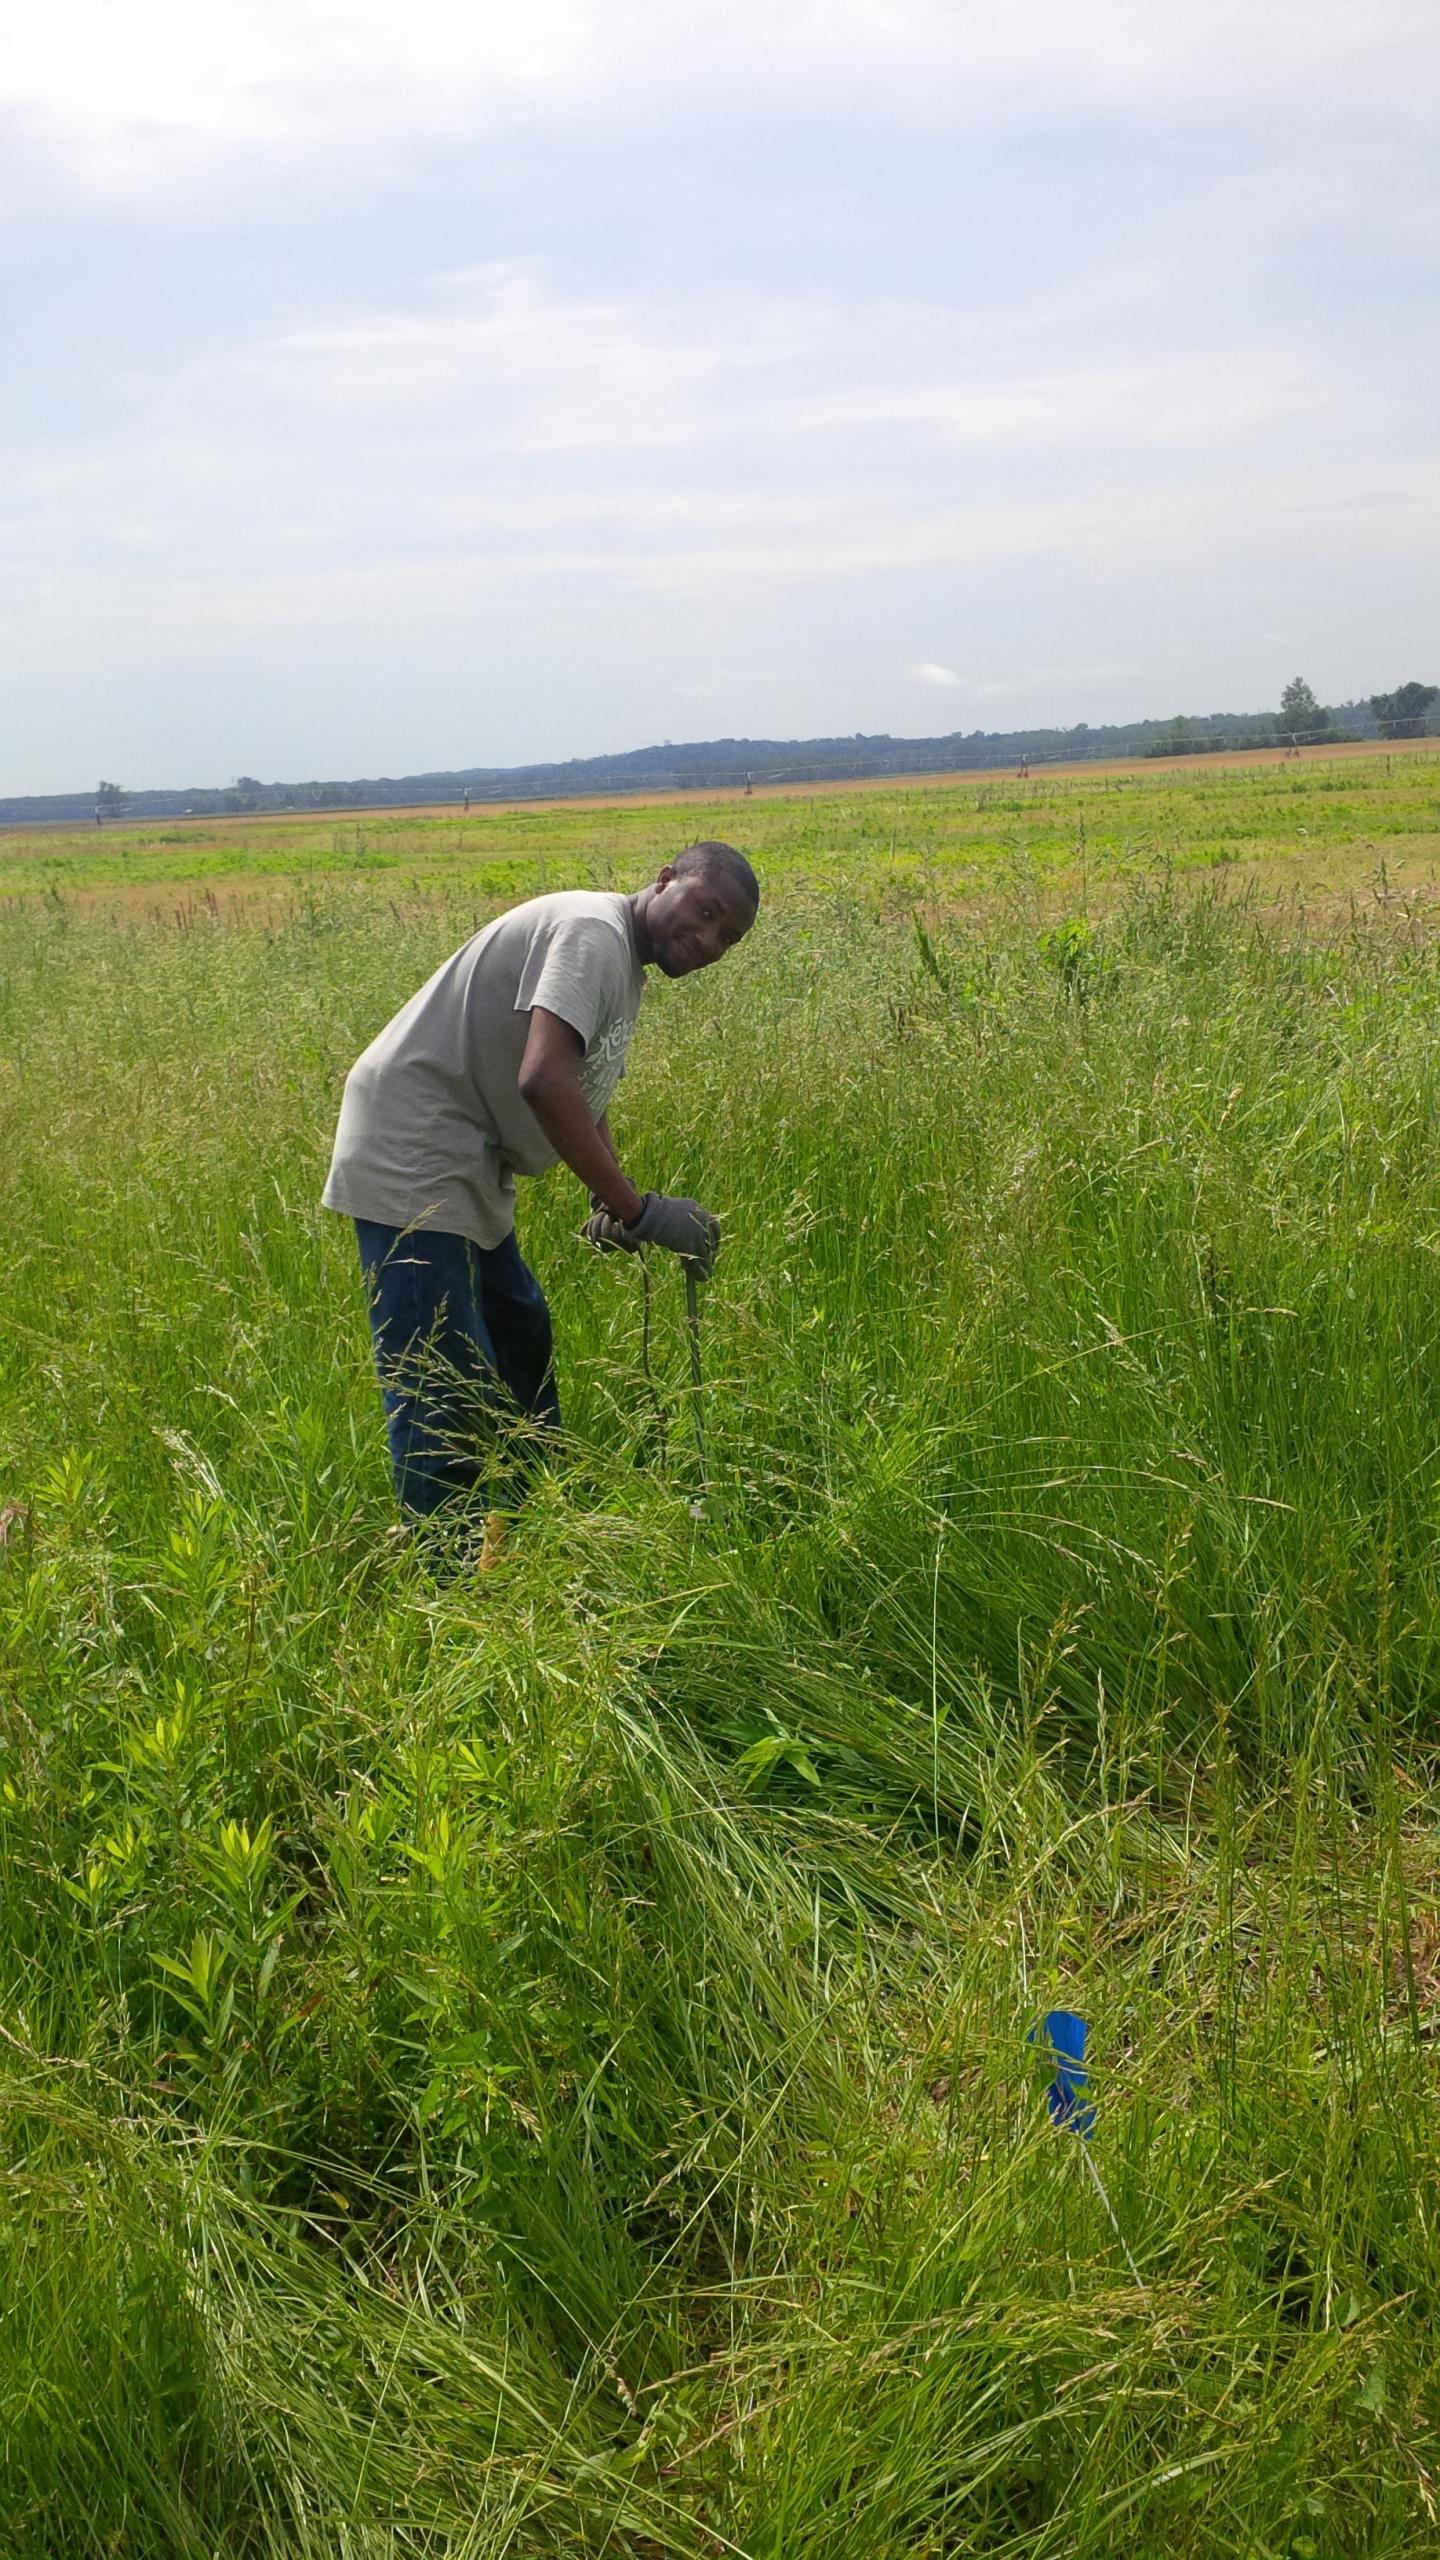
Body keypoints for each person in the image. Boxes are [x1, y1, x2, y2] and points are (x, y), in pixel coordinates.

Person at [322, 840, 759, 1529]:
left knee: (520, 1335)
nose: (708, 940)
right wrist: (640, 1211)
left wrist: (609, 1197)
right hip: (416, 1144)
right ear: (665, 879)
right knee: (441, 1384)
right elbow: (544, 1079)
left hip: (466, 1157)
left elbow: (584, 1082)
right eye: (705, 912)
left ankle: (534, 1532)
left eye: (728, 938)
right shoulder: (594, 934)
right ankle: (452, 1590)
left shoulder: (620, 960)